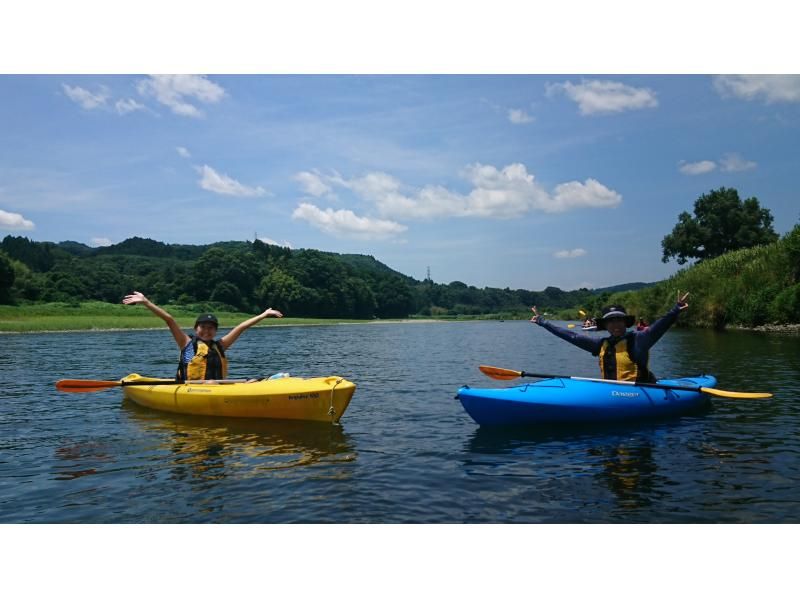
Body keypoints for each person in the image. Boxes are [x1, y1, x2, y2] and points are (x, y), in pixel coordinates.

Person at [122, 291, 283, 381]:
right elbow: (169, 319)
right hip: (190, 390)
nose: (207, 331)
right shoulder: (187, 344)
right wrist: (146, 302)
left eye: (211, 328)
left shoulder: (220, 346)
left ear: (216, 331)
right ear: (196, 328)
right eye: (203, 327)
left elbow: (241, 327)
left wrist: (264, 314)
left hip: (216, 388)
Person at [530, 292, 690, 382]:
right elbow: (571, 336)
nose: (616, 325)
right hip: (611, 392)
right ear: (605, 326)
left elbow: (659, 327)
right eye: (611, 321)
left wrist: (675, 310)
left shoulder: (640, 339)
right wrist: (543, 322)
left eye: (619, 320)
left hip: (640, 391)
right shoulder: (600, 344)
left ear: (625, 323)